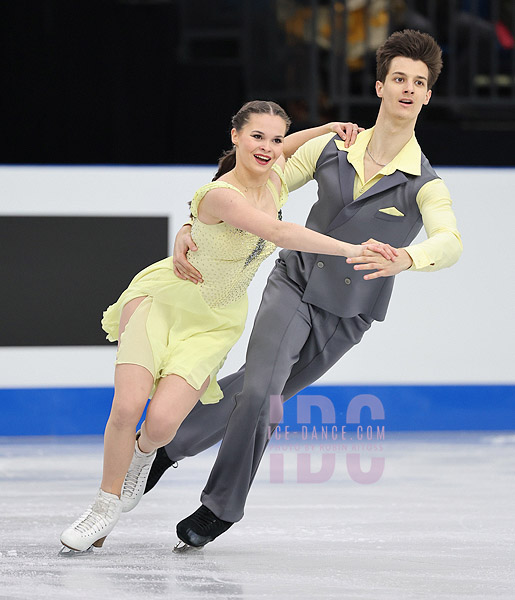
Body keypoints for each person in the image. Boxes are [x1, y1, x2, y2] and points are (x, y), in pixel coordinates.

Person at [139, 29, 463, 549]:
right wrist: (194, 223)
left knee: (255, 392)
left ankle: (164, 450)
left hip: (349, 316)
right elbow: (251, 185)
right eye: (398, 78)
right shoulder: (333, 149)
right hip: (294, 283)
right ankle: (221, 507)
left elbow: (449, 241)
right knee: (265, 395)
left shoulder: (424, 182)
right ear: (379, 86)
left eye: (418, 82)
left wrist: (409, 257)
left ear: (427, 95)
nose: (407, 88)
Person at [59, 101, 396, 553]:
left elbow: (289, 148)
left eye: (275, 139)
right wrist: (350, 248)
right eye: (257, 136)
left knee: (160, 427)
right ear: (235, 135)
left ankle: (143, 455)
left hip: (215, 322)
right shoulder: (220, 194)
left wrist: (326, 127)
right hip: (165, 302)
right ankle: (103, 508)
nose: (268, 147)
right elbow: (279, 235)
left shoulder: (276, 177)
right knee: (128, 405)